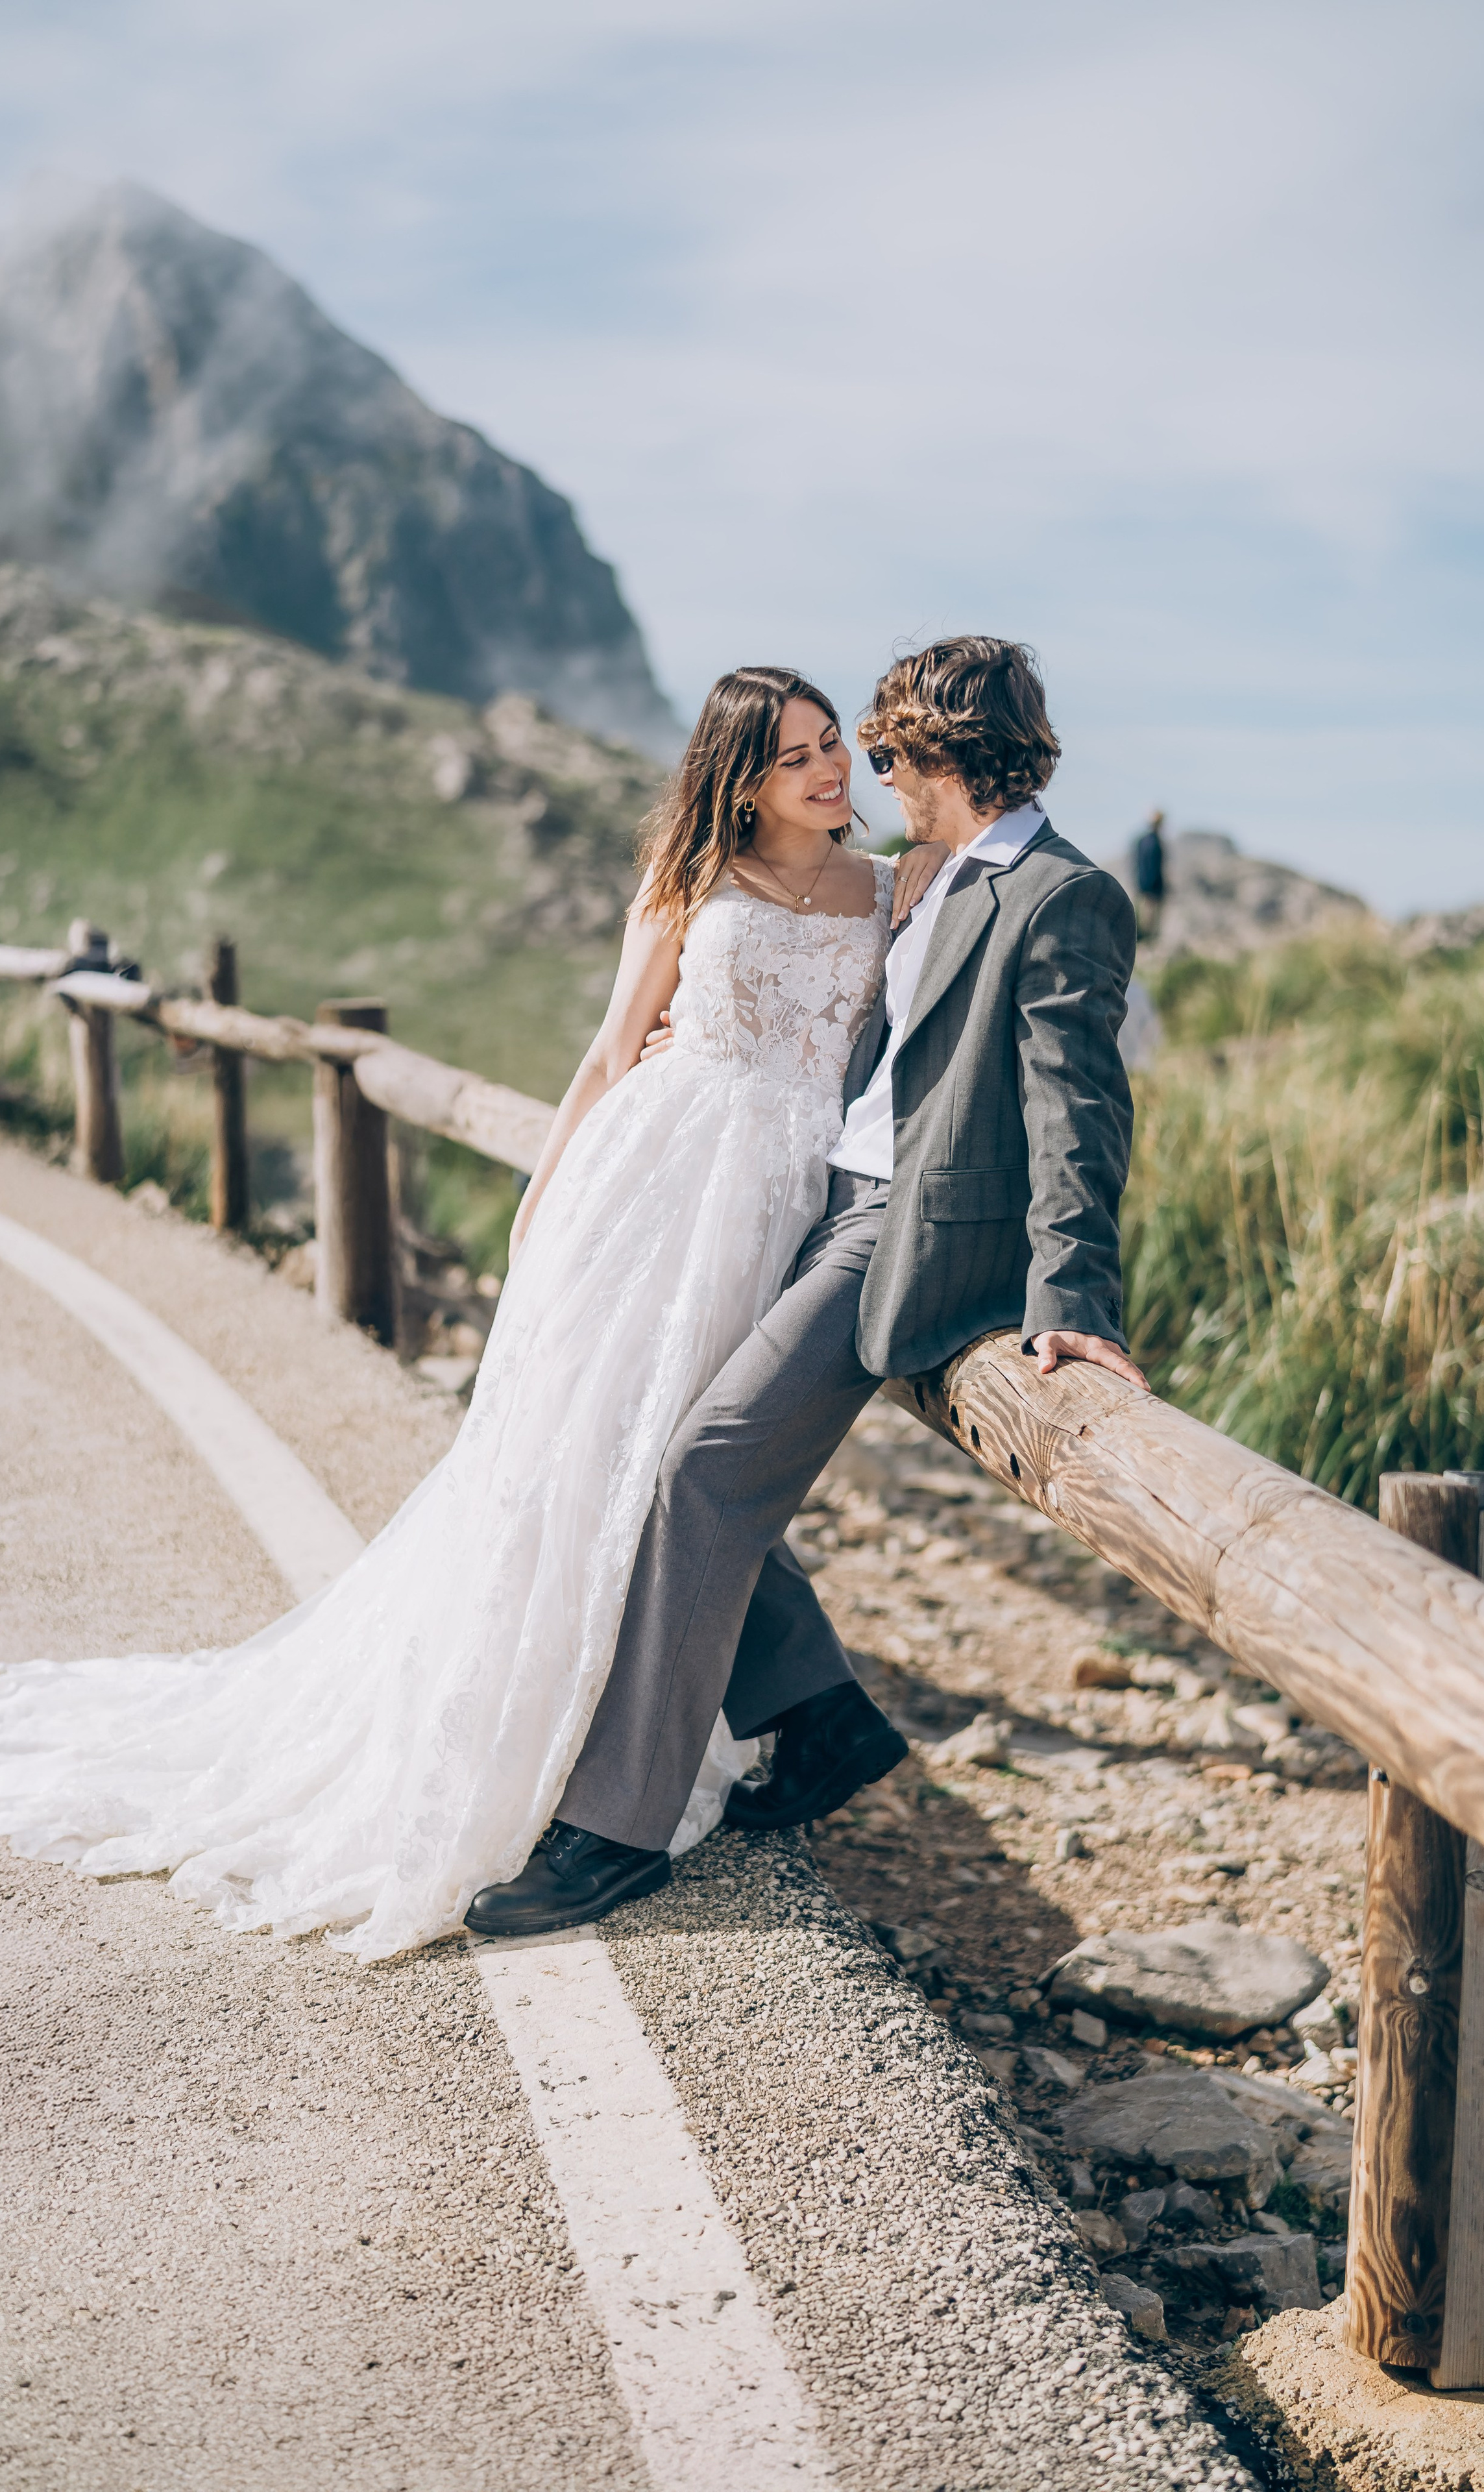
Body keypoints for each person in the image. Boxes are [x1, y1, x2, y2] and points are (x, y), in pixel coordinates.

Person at [0, 668, 942, 1962]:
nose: (829, 773)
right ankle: (581, 1747)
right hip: (654, 1186)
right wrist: (545, 1195)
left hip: (786, 1197)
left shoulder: (887, 887)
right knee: (589, 1450)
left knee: (678, 1460)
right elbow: (615, 1053)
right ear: (739, 780)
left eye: (831, 746)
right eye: (794, 759)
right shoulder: (689, 883)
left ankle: (759, 1716)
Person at [470, 635, 1146, 1938]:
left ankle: (611, 1829)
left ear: (940, 755)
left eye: (881, 750)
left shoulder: (1059, 895)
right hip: (798, 1197)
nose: (867, 772)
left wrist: (1072, 1297)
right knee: (652, 1427)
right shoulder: (921, 878)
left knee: (703, 1469)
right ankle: (819, 1715)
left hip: (893, 1230)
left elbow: (1077, 1111)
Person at [1132, 810, 1167, 941]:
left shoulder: (1143, 841)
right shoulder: (1154, 843)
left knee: (1147, 921)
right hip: (1151, 889)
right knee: (1149, 923)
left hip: (1145, 887)